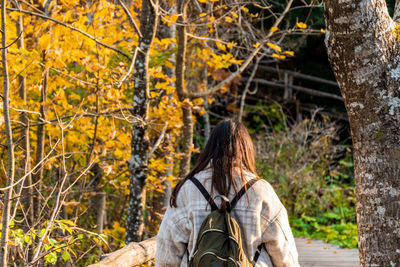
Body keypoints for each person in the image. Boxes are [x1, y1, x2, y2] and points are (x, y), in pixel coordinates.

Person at [155, 119, 300, 267]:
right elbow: (284, 254)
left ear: (210, 147)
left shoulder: (188, 189)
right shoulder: (261, 190)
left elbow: (166, 254)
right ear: (247, 149)